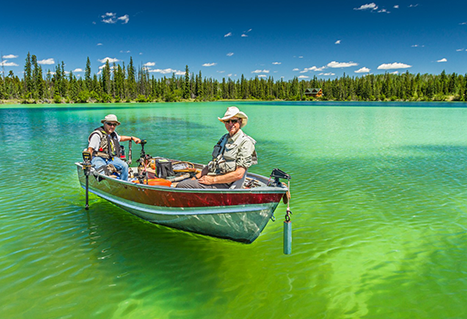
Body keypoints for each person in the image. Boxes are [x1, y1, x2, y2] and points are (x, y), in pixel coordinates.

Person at [177, 106, 257, 189]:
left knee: (181, 186)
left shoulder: (246, 142)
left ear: (240, 122)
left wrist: (212, 180)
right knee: (186, 182)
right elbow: (212, 164)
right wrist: (194, 178)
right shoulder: (224, 138)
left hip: (227, 185)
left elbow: (239, 174)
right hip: (213, 178)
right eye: (227, 121)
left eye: (233, 121)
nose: (230, 124)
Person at [87, 114, 141, 181]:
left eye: (114, 125)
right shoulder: (97, 135)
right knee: (103, 171)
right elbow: (90, 149)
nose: (112, 126)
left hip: (110, 158)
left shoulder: (113, 134)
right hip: (98, 158)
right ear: (104, 123)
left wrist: (132, 138)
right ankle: (106, 183)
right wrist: (87, 163)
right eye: (109, 124)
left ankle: (124, 183)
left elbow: (120, 138)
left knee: (124, 166)